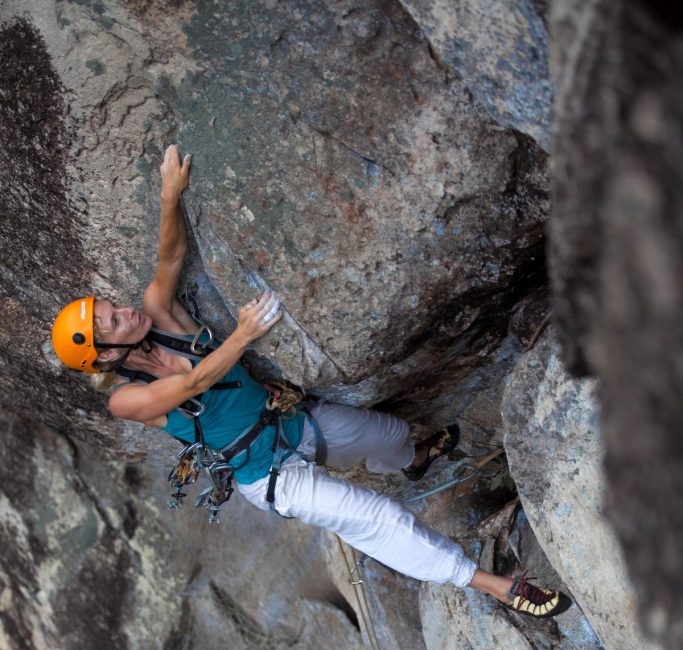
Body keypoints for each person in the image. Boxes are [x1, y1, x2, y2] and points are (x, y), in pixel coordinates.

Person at [52, 145, 569, 618]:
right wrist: (243, 335)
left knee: (390, 434)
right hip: (269, 475)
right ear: (104, 358)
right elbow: (188, 388)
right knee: (377, 519)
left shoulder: (158, 317)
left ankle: (414, 461)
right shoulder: (126, 401)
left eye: (109, 308)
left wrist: (170, 196)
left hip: (289, 419)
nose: (122, 313)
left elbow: (169, 258)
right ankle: (498, 587)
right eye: (110, 323)